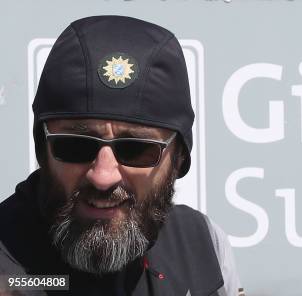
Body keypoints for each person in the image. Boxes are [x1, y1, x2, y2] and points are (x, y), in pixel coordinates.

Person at [0, 16, 243, 296]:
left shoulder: (204, 245)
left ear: (179, 158)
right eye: (76, 146)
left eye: (137, 150)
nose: (103, 176)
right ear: (43, 149)